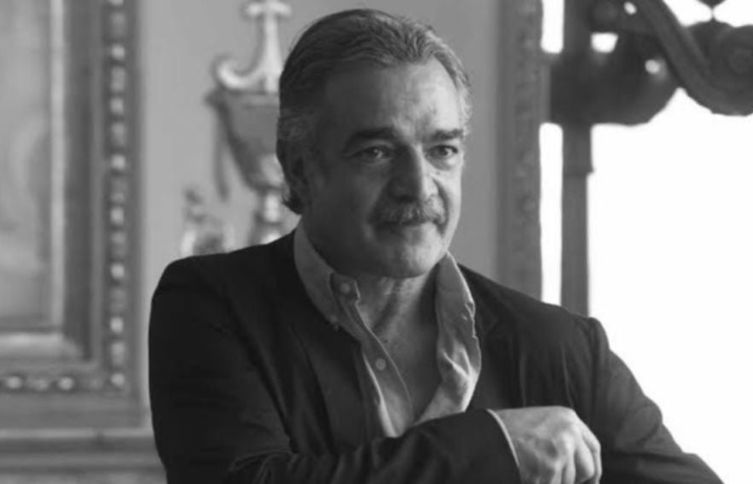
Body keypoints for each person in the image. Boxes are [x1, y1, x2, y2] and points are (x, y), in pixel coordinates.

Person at [149, 8, 722, 484]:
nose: (418, 186)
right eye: (376, 152)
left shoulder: (562, 349)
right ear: (300, 169)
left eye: (442, 150)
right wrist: (493, 446)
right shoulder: (211, 304)